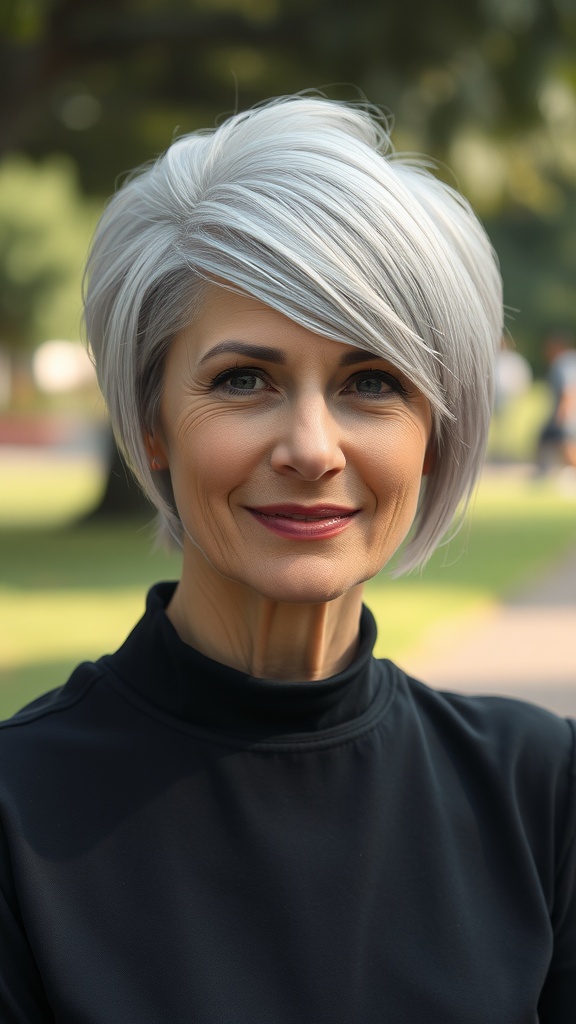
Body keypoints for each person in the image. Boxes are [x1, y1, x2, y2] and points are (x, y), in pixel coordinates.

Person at [0, 95, 574, 1023]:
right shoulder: (15, 815)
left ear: (435, 432)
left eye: (371, 383)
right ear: (150, 425)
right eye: (244, 380)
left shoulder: (540, 795)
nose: (312, 447)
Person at [537, 331, 576, 474]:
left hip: (567, 413)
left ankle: (544, 471)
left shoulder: (563, 363)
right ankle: (543, 471)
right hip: (566, 412)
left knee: (566, 444)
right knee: (547, 440)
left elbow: (569, 389)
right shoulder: (570, 360)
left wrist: (563, 414)